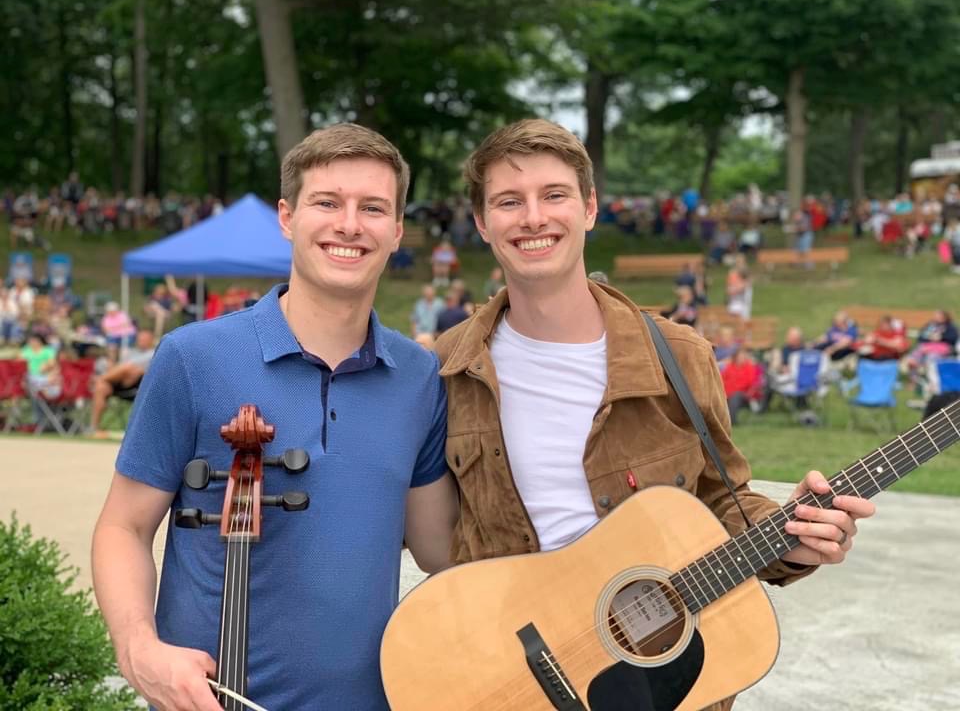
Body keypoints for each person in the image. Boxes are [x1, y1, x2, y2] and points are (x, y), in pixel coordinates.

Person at [435, 119, 874, 711]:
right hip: (507, 678)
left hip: (656, 671)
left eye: (554, 195)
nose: (534, 218)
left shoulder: (678, 356)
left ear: (590, 208)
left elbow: (722, 500)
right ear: (483, 222)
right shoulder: (447, 368)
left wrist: (794, 537)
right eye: (509, 201)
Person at [91, 124, 458, 711]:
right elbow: (124, 528)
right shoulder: (193, 357)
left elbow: (443, 549)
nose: (349, 225)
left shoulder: (419, 376)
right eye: (327, 203)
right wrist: (139, 649)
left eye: (372, 208)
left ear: (396, 231)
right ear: (287, 217)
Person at [88, 330, 156, 438]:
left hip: (138, 386)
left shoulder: (155, 354)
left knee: (130, 368)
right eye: (140, 339)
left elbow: (154, 373)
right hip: (119, 382)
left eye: (144, 339)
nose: (141, 341)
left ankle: (100, 378)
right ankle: (94, 429)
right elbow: (118, 367)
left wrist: (139, 371)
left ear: (151, 340)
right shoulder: (130, 352)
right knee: (101, 387)